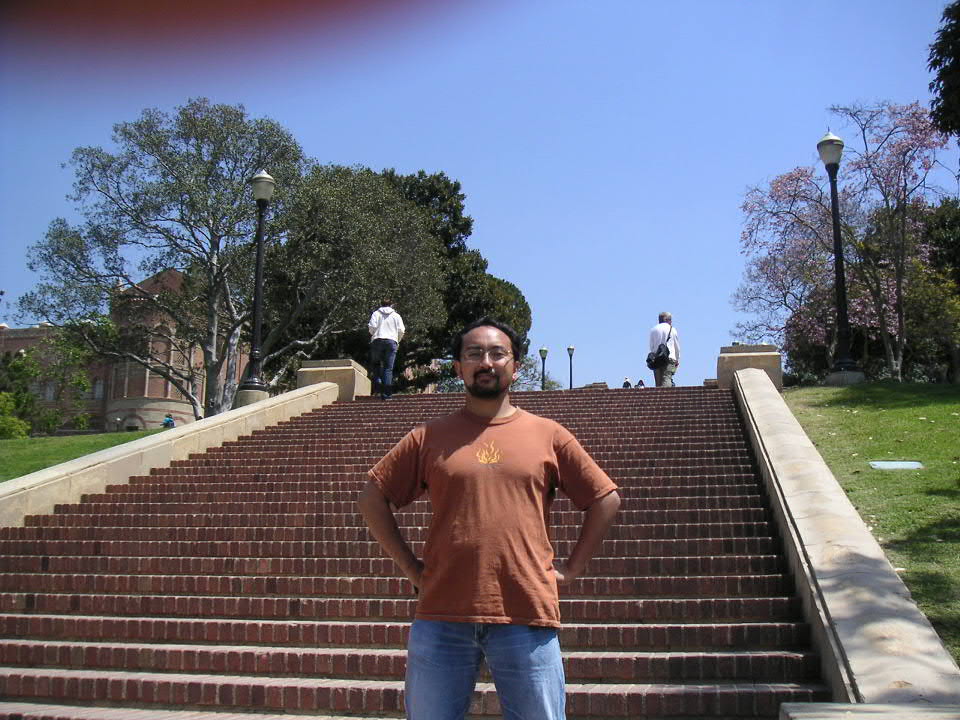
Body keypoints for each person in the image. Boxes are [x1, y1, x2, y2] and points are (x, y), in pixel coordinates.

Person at [358, 317, 621, 720]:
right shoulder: (428, 437)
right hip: (441, 613)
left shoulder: (548, 434)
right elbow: (372, 497)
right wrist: (411, 568)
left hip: (526, 612)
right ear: (458, 368)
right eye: (474, 353)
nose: (486, 362)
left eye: (498, 353)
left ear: (515, 366)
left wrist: (571, 569)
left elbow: (605, 498)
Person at [368, 299, 405, 399]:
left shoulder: (376, 313)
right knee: (388, 368)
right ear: (391, 305)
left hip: (377, 340)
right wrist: (397, 340)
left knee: (376, 364)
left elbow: (371, 327)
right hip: (391, 341)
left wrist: (374, 334)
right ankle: (387, 394)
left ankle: (378, 383)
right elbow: (401, 330)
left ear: (381, 304)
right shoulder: (396, 316)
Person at [648, 311, 680, 387]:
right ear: (666, 319)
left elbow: (651, 347)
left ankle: (659, 394)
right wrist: (677, 359)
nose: (671, 322)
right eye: (670, 320)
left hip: (656, 358)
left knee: (658, 383)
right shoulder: (672, 329)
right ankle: (667, 393)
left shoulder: (653, 330)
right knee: (667, 378)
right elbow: (676, 346)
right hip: (669, 358)